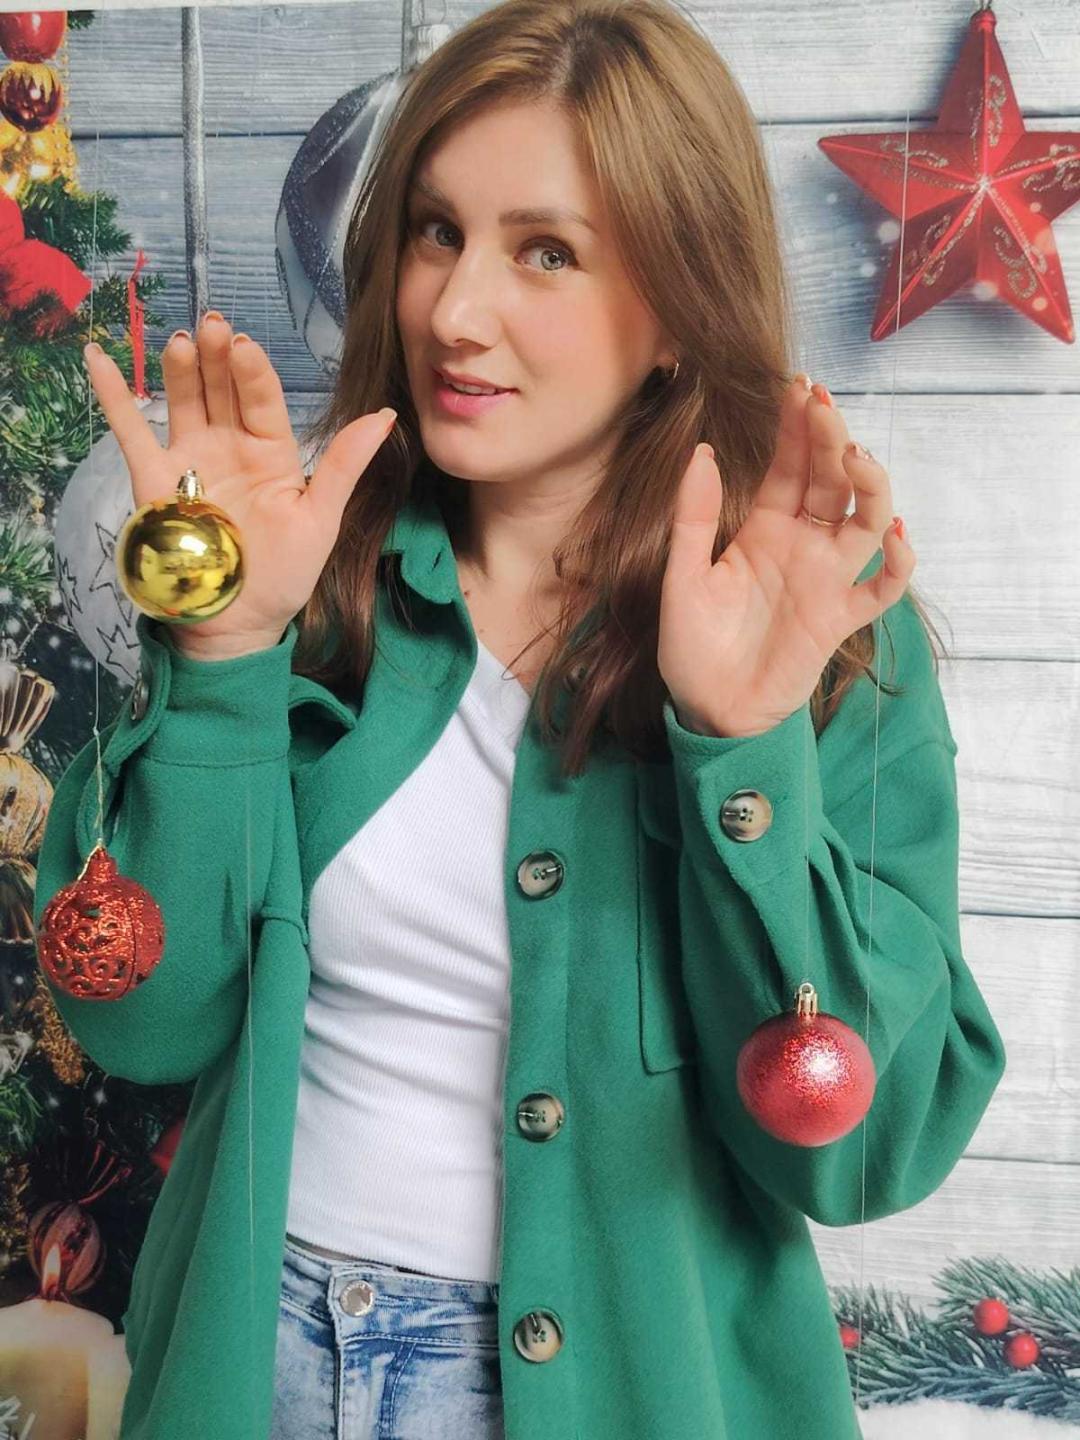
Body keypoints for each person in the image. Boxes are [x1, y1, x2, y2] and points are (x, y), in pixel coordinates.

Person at [33, 0, 1006, 1436]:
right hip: (262, 1367)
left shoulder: (822, 633)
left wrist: (742, 751)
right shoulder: (311, 575)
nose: (453, 310)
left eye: (545, 251)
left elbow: (868, 1150)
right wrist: (225, 655)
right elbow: (140, 1026)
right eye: (438, 232)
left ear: (676, 306)